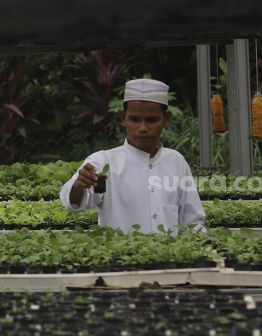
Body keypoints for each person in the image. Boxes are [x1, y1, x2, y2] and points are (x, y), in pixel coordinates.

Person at [59, 78, 205, 234]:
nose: (142, 128)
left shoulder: (176, 162)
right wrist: (79, 186)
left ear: (166, 119)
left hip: (173, 258)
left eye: (151, 120)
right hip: (120, 257)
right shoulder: (104, 163)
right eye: (135, 119)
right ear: (123, 118)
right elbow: (73, 202)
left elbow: (192, 220)